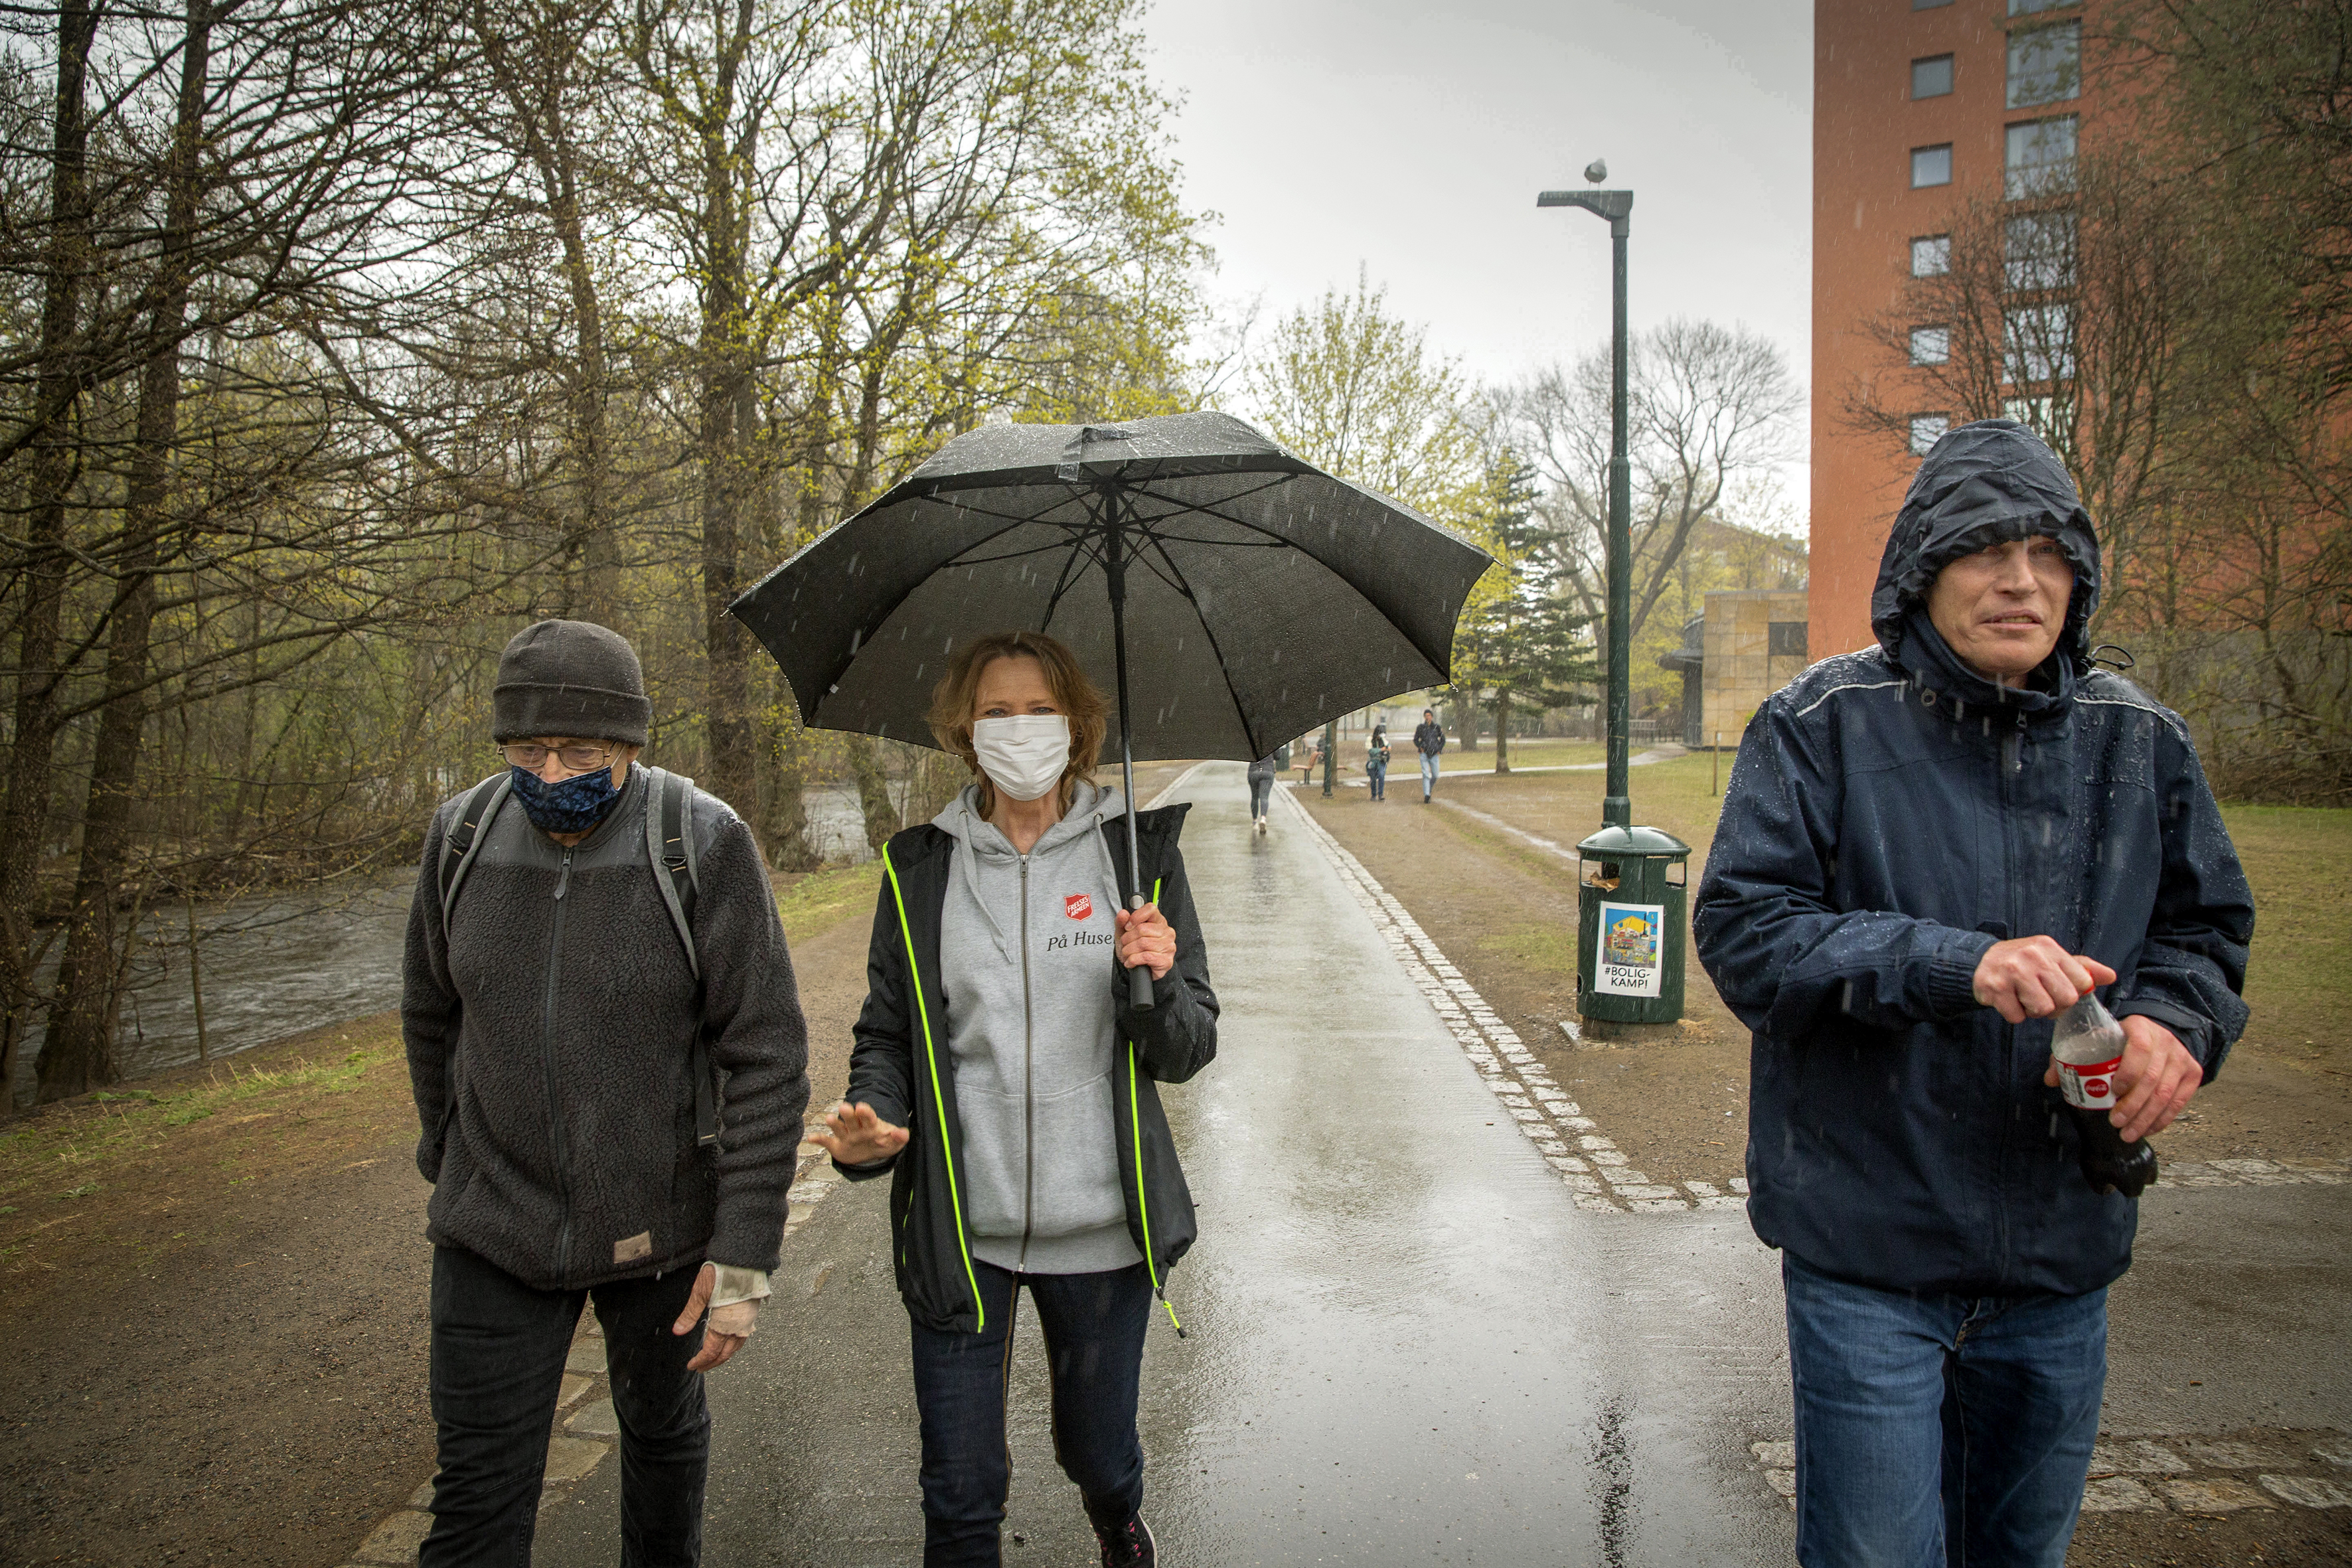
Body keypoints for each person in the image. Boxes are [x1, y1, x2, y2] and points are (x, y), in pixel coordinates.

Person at [1692, 420, 2254, 1568]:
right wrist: (1957, 962)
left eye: (2049, 553)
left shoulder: (2140, 739)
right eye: (1984, 550)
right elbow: (1748, 934)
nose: (2019, 579)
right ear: (1919, 572)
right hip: (1869, 1258)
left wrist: (2172, 1024)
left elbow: (2204, 929)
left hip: (2059, 1255)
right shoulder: (1817, 724)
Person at [402, 619, 811, 1563]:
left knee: (662, 1445)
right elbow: (431, 1015)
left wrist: (742, 1252)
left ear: (629, 744)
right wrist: (452, 1153)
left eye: (579, 750)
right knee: (474, 1498)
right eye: (526, 749)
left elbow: (765, 1053)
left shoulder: (701, 842)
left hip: (659, 1224)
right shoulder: (459, 834)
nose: (550, 773)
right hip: (490, 1227)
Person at [812, 629, 1219, 1568]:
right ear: (963, 729)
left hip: (1103, 1235)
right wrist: (869, 1122)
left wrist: (1155, 981)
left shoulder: (1137, 859)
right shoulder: (916, 868)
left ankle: (1117, 1518)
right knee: (958, 1496)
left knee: (1096, 1451)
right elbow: (887, 1034)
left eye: (1039, 709)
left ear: (1075, 725)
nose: (1019, 728)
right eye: (996, 711)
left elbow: (1188, 1048)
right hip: (963, 1231)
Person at [1245, 741, 1289, 834]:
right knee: (1264, 797)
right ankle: (1263, 819)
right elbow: (1278, 757)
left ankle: (1255, 821)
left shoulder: (1252, 741)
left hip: (1253, 772)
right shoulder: (1270, 741)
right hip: (1267, 771)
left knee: (1254, 797)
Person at [1411, 707, 1445, 803]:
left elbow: (1443, 740)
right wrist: (1420, 747)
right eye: (1426, 716)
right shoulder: (1421, 728)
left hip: (1434, 754)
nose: (1428, 717)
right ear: (1424, 717)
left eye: (1429, 715)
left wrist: (1439, 749)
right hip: (1424, 754)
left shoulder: (1437, 727)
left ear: (1432, 717)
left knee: (1435, 775)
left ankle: (1429, 788)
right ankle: (1427, 795)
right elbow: (1416, 739)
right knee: (1426, 774)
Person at [1365, 722, 1391, 801]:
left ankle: (1381, 794)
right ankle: (1373, 795)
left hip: (1382, 761)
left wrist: (1388, 748)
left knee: (1381, 776)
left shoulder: (1383, 739)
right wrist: (1380, 749)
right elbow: (1370, 750)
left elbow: (1388, 744)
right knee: (1373, 778)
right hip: (1372, 761)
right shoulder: (1370, 739)